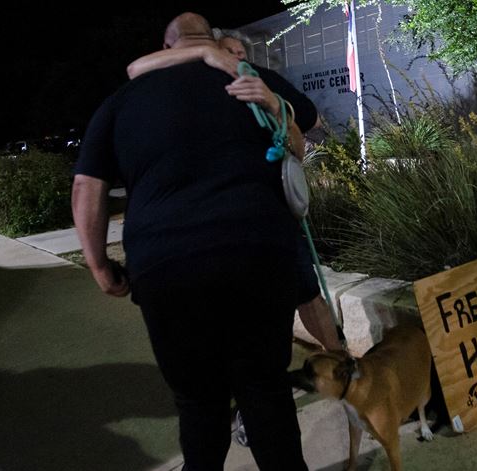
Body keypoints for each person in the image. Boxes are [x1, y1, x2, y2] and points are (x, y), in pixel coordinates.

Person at [73, 12, 319, 470]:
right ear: (212, 40)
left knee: (199, 401)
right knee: (265, 390)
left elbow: (88, 186)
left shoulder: (121, 100)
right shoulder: (247, 75)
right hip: (258, 251)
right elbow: (308, 124)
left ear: (165, 49)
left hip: (165, 264)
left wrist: (100, 266)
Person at [128, 25, 341, 353]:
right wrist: (202, 53)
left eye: (243, 55)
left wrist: (273, 104)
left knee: (303, 292)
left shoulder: (258, 81)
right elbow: (135, 69)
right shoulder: (187, 83)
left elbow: (307, 123)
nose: (238, 61)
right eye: (227, 53)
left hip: (270, 212)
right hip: (216, 225)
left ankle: (337, 358)